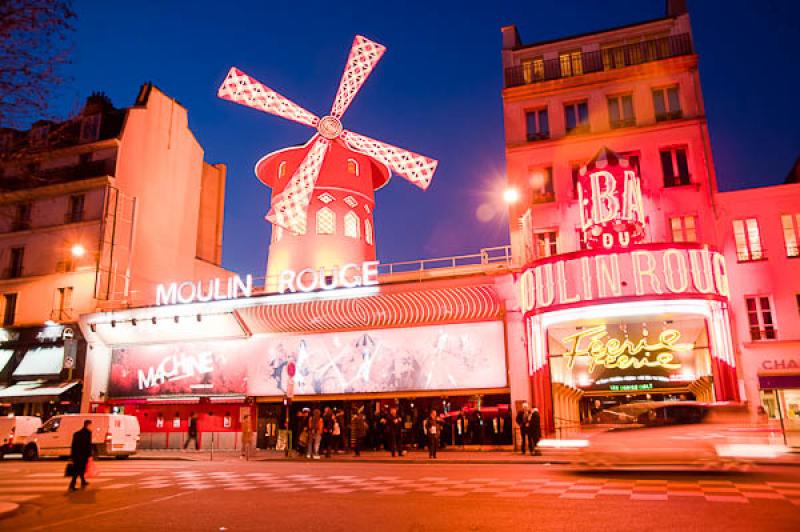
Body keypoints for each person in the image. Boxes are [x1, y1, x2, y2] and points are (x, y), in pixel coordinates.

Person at [68, 420, 93, 491]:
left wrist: (71, 455)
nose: (92, 427)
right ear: (87, 425)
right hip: (83, 455)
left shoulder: (76, 434)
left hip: (76, 455)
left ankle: (83, 482)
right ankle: (71, 486)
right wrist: (90, 455)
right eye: (91, 425)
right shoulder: (88, 433)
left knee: (80, 469)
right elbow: (88, 445)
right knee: (78, 470)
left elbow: (73, 445)